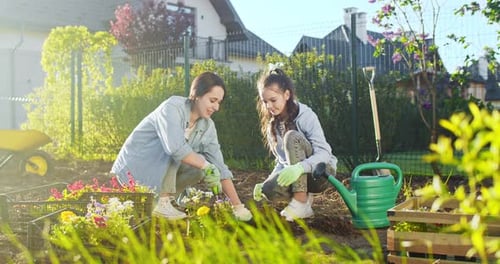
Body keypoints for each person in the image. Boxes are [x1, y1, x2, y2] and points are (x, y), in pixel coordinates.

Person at [111, 72, 252, 221]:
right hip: (133, 172)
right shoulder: (172, 107)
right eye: (212, 100)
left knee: (201, 167)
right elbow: (175, 148)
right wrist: (206, 165)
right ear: (197, 95)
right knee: (180, 150)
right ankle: (161, 202)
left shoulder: (208, 126)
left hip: (156, 176)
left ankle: (164, 200)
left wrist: (238, 207)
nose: (216, 107)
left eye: (219, 102)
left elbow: (220, 166)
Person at [252, 67, 337, 221]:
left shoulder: (306, 116)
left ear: (286, 95)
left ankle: (300, 201)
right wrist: (265, 182)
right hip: (301, 175)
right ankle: (303, 202)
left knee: (291, 137)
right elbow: (282, 162)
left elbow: (324, 152)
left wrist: (300, 168)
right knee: (269, 189)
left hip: (321, 173)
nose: (269, 106)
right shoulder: (273, 124)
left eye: (273, 100)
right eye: (265, 102)